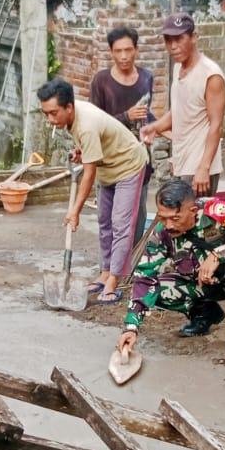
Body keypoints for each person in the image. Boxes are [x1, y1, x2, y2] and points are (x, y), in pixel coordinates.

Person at [119, 178, 225, 359]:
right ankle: (205, 314)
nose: (168, 225)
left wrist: (219, 254)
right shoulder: (162, 234)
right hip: (204, 285)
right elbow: (144, 277)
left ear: (192, 211)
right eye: (163, 218)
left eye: (175, 218)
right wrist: (131, 328)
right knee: (157, 288)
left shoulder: (216, 212)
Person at [37, 78, 148, 305]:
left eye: (53, 113)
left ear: (69, 107)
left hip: (128, 166)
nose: (50, 119)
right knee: (104, 223)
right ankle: (105, 272)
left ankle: (114, 281)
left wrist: (75, 211)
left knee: (120, 224)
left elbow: (88, 175)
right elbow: (94, 142)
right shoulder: (71, 117)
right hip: (108, 168)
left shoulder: (86, 124)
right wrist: (82, 150)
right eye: (46, 113)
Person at [89, 25, 157, 258]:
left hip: (139, 159)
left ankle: (133, 269)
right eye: (118, 51)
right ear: (111, 52)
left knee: (136, 216)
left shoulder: (146, 78)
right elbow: (95, 123)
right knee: (108, 219)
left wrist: (156, 127)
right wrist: (125, 117)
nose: (124, 56)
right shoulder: (102, 81)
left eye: (129, 50)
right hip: (111, 161)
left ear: (137, 50)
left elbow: (147, 115)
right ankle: (108, 269)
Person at [140, 13, 225, 196]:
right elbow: (179, 110)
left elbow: (216, 125)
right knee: (179, 222)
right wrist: (154, 127)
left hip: (199, 170)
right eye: (168, 40)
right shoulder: (179, 68)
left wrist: (204, 168)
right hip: (181, 164)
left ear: (194, 37)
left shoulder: (211, 75)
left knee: (194, 222)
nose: (173, 46)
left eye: (179, 39)